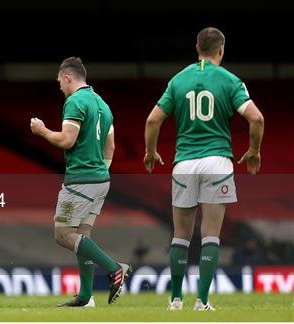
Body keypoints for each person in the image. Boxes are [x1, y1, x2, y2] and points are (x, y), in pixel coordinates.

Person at [143, 27, 265, 311]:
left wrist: (150, 152)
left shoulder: (178, 80)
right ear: (220, 50)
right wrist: (254, 151)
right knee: (210, 234)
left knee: (180, 236)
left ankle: (175, 299)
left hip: (184, 163)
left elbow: (152, 121)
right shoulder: (229, 80)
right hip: (217, 161)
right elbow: (256, 118)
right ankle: (202, 301)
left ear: (197, 48)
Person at [30, 57, 132, 307]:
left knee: (63, 234)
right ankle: (86, 297)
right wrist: (99, 172)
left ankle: (115, 268)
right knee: (81, 236)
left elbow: (66, 140)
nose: (60, 88)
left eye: (60, 82)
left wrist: (41, 130)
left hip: (80, 181)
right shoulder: (102, 105)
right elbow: (111, 146)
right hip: (100, 180)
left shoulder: (75, 101)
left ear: (68, 77)